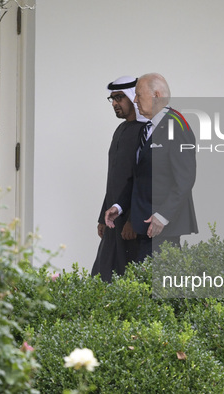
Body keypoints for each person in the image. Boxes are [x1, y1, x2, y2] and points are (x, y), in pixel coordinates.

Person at [105, 73, 198, 261]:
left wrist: (162, 216)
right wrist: (119, 206)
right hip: (145, 227)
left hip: (163, 230)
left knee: (160, 288)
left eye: (139, 95)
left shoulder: (177, 126)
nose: (136, 100)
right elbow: (139, 176)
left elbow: (184, 179)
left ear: (156, 95)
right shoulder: (148, 129)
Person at [91, 76, 146, 282]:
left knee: (129, 279)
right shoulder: (121, 130)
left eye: (120, 97)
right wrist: (101, 216)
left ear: (134, 98)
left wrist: (133, 220)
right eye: (112, 99)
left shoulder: (145, 131)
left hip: (131, 224)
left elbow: (142, 180)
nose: (114, 104)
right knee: (102, 275)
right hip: (114, 219)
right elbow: (114, 178)